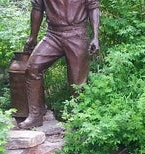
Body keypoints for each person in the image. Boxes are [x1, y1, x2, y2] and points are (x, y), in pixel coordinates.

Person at [18, 0, 101, 129]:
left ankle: (78, 119)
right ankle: (35, 115)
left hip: (77, 34)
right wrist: (32, 37)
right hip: (53, 34)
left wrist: (95, 36)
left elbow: (93, 7)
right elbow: (37, 8)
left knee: (77, 83)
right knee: (33, 68)